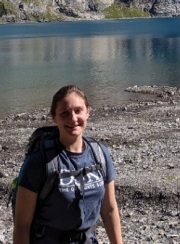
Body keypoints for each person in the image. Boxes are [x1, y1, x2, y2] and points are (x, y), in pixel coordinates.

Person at [13, 85, 123, 244]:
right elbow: (22, 225)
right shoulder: (39, 162)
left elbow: (110, 210)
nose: (73, 118)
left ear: (88, 112)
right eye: (65, 113)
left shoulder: (100, 154)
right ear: (54, 117)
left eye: (78, 110)